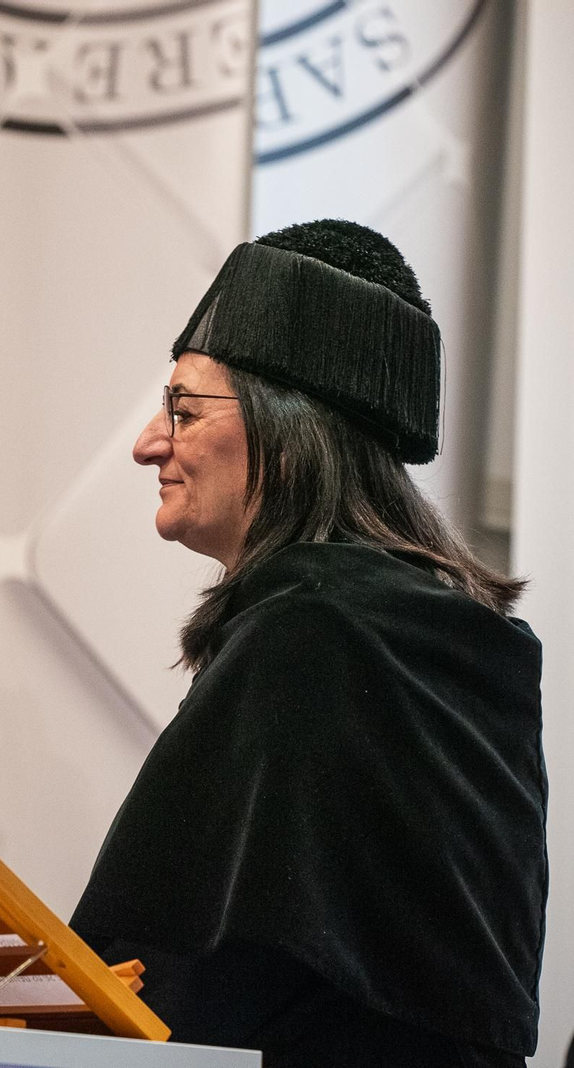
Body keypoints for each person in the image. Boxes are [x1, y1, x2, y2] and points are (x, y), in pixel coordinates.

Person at [70, 220, 546, 1066]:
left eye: (184, 408)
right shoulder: (461, 647)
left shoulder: (309, 635)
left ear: (287, 432)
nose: (151, 442)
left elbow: (174, 988)